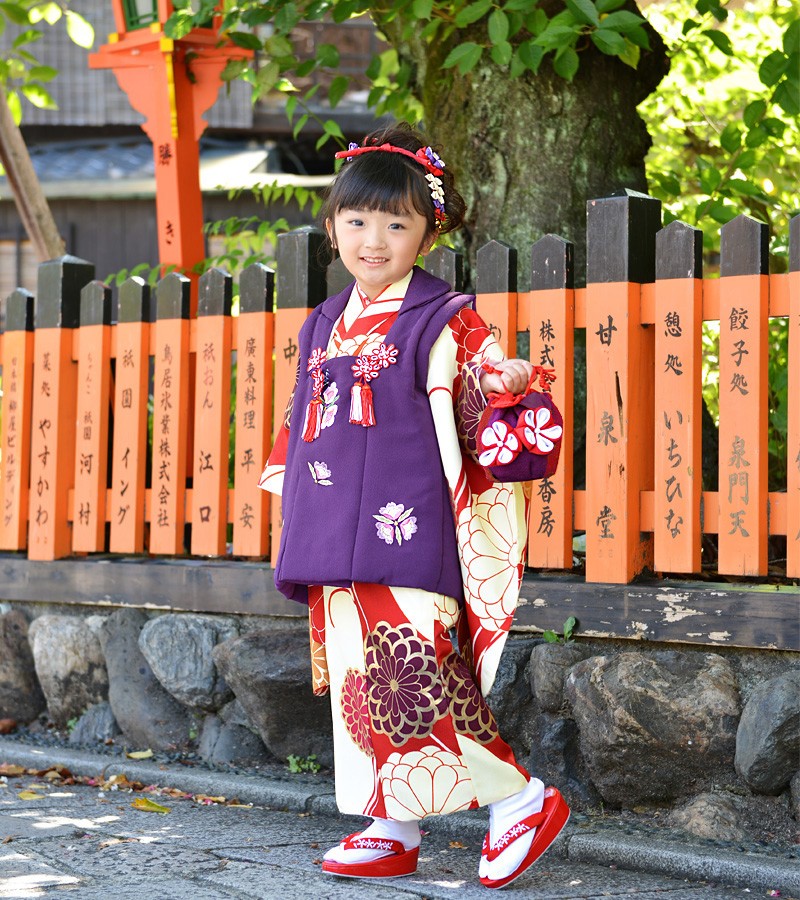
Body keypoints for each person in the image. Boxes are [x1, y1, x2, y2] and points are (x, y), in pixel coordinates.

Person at [258, 122, 569, 889]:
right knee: (364, 684)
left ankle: (520, 799)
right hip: (335, 525)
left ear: (426, 231)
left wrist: (498, 384)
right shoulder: (325, 322)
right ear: (332, 226)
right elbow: (304, 422)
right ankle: (391, 824)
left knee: (417, 672)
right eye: (357, 221)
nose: (373, 240)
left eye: (396, 223)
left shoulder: (446, 315)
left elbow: (478, 384)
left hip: (409, 521)